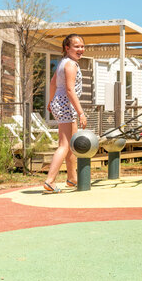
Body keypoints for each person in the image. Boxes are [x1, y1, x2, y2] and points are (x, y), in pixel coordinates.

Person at [41, 35, 87, 193]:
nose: (80, 49)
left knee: (72, 144)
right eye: (76, 46)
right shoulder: (71, 65)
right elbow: (69, 90)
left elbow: (53, 82)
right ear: (67, 48)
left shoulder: (63, 63)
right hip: (66, 105)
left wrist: (50, 101)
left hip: (60, 104)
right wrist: (81, 112)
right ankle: (50, 180)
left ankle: (72, 178)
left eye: (82, 46)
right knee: (64, 145)